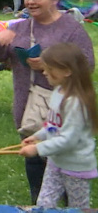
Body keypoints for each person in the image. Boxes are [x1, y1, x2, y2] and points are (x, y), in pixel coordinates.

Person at [0, 0, 95, 204]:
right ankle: (41, 204)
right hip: (29, 105)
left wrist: (48, 61)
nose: (30, 2)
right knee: (37, 170)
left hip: (63, 106)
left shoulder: (71, 29)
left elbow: (87, 64)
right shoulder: (21, 26)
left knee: (65, 169)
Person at [19, 43, 98, 208]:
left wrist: (37, 149)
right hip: (56, 161)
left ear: (67, 71)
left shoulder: (76, 102)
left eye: (49, 69)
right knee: (44, 204)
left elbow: (68, 139)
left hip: (76, 167)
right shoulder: (58, 92)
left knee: (78, 208)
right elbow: (52, 125)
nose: (44, 72)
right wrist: (37, 136)